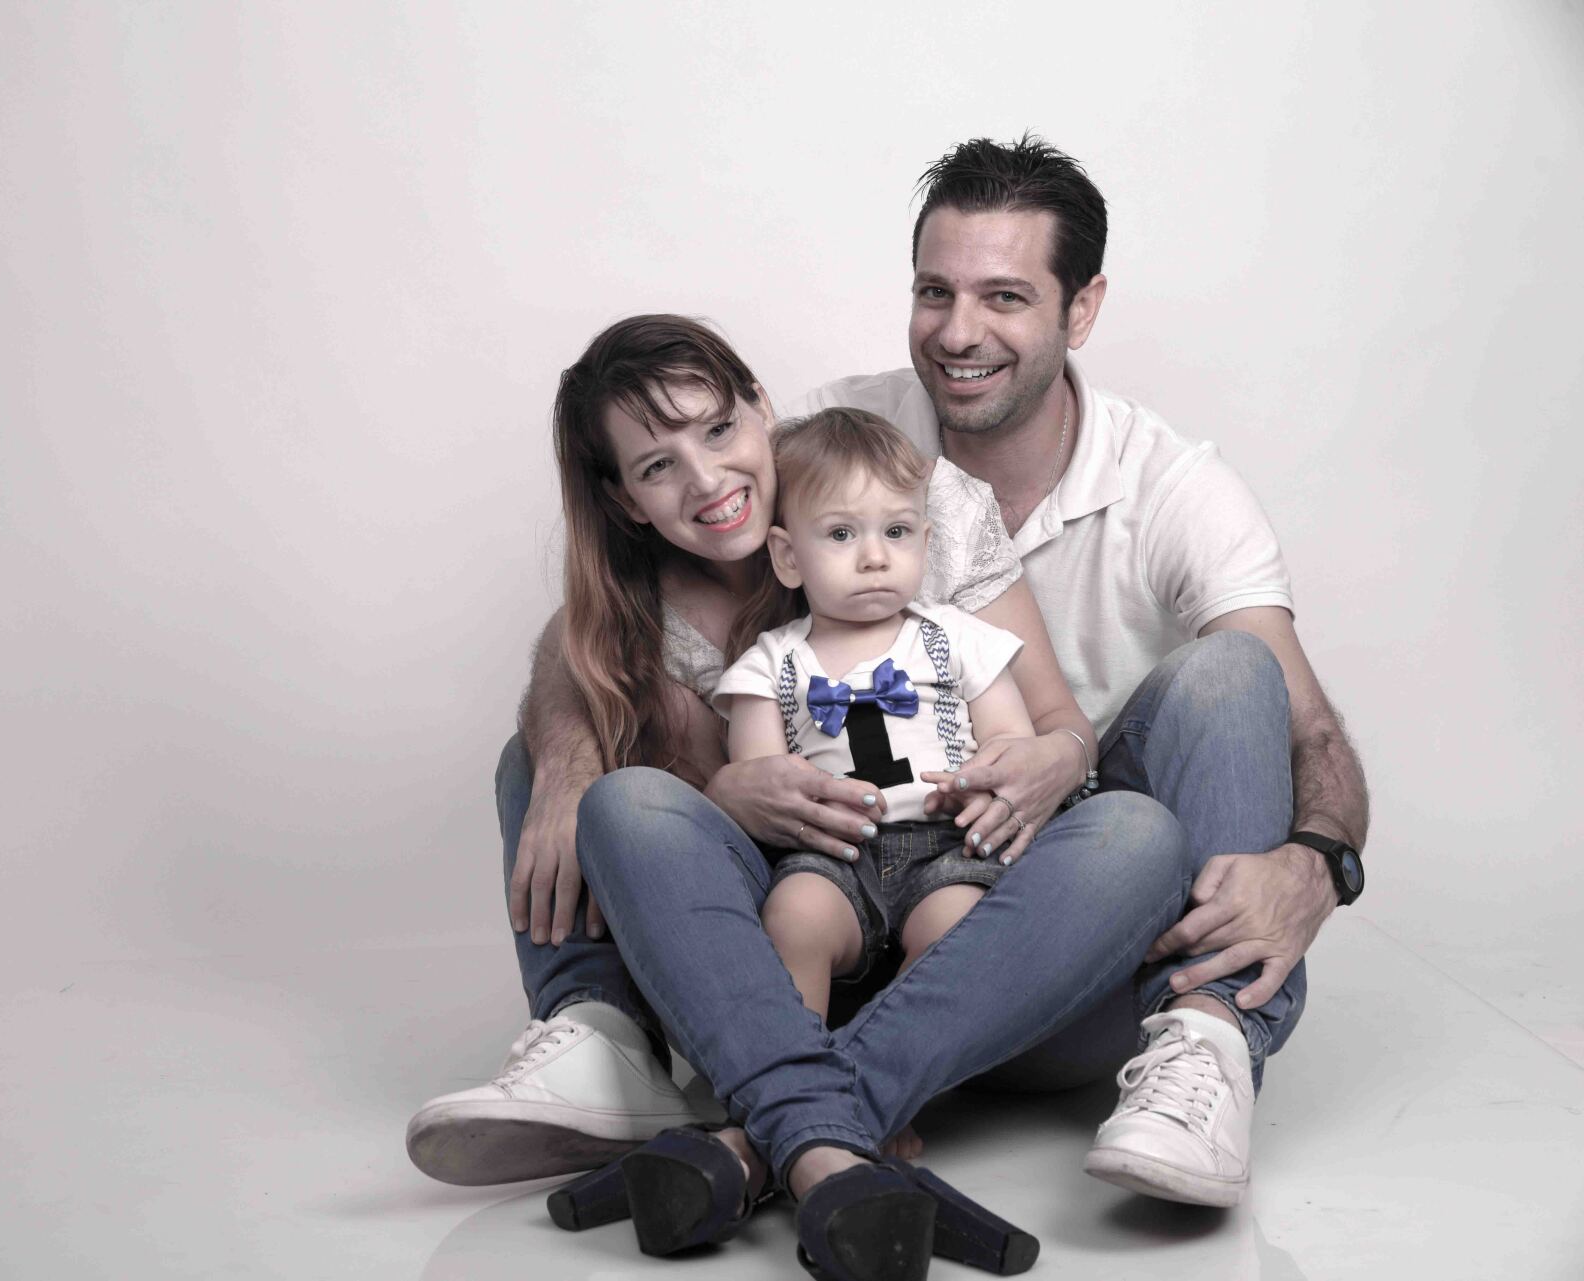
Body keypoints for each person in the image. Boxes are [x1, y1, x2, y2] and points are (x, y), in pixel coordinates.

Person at [407, 312, 1196, 1272]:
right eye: (657, 466)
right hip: (798, 917)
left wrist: (1042, 758)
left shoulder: (896, 495)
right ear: (623, 499)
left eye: (718, 429)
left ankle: (767, 1136)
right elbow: (599, 695)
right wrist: (719, 792)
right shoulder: (652, 617)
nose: (707, 480)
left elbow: (1044, 715)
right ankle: (601, 1034)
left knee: (1135, 835)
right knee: (571, 776)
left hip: (956, 911)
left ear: (761, 407)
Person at [788, 134, 1371, 1207]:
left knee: (1229, 672)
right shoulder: (837, 438)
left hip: (1085, 954)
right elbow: (654, 619)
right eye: (934, 291)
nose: (957, 332)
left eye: (1005, 297)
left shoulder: (1172, 487)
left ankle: (1204, 1042)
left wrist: (1317, 862)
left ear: (1082, 308)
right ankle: (677, 1051)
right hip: (869, 928)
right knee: (564, 745)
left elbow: (1310, 733)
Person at [717, 408, 1041, 1021]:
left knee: (960, 934)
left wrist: (981, 788)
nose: (874, 557)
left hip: (949, 848)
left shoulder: (958, 637)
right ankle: (793, 1065)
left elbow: (1011, 742)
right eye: (841, 534)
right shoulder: (770, 663)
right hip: (832, 854)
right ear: (788, 556)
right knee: (794, 918)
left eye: (896, 531)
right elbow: (762, 785)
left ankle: (896, 1067)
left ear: (926, 542)